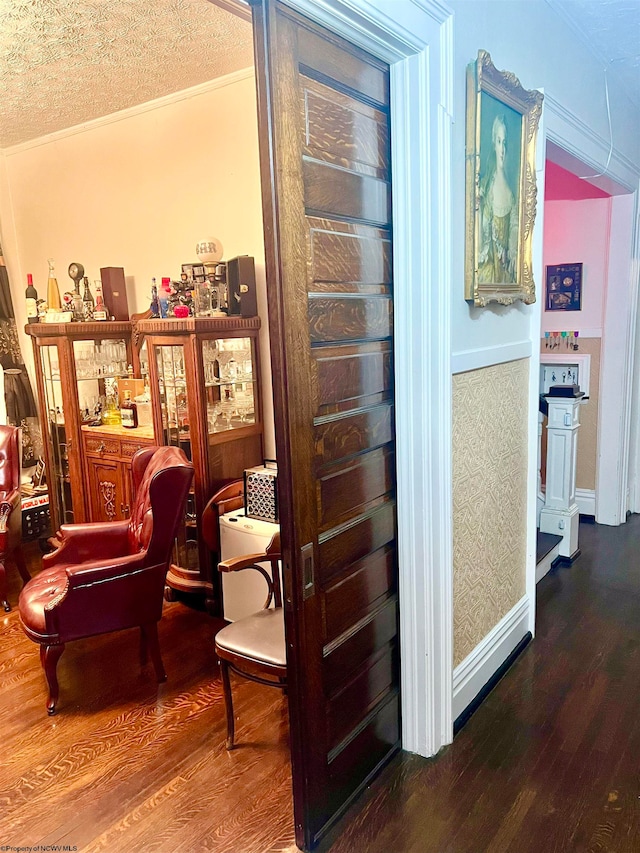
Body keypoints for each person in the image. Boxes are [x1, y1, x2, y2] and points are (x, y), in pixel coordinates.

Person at [477, 114, 518, 284]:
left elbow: (514, 226)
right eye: (499, 142)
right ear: (494, 144)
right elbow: (481, 239)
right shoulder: (486, 187)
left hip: (504, 274)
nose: (502, 150)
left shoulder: (511, 192)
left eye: (505, 143)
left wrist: (511, 252)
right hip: (489, 270)